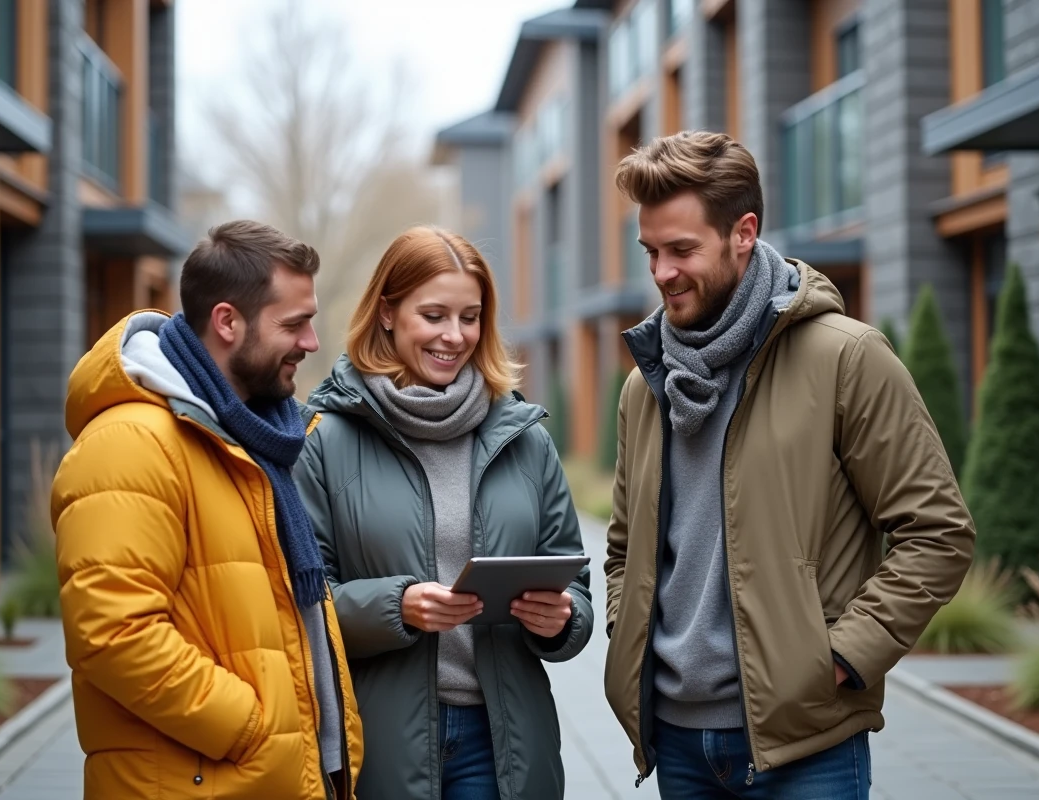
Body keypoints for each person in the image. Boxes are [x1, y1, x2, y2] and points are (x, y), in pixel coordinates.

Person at [603, 131, 976, 798]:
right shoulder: (645, 386)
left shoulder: (846, 358)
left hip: (807, 745)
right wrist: (625, 632)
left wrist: (839, 658)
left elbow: (938, 533)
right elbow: (625, 549)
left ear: (743, 232)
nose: (661, 272)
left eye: (682, 250)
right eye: (651, 252)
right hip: (678, 744)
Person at [51, 220, 363, 799]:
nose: (312, 342)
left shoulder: (255, 437)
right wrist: (253, 726)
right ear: (227, 321)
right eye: (294, 324)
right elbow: (113, 635)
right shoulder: (131, 443)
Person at [294, 225, 594, 800]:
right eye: (433, 315)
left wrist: (563, 621)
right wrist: (395, 607)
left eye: (470, 316)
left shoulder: (524, 437)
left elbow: (573, 585)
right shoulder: (325, 439)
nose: (454, 336)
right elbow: (302, 603)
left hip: (504, 741)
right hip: (383, 741)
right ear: (387, 313)